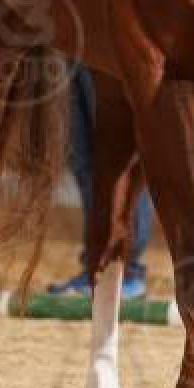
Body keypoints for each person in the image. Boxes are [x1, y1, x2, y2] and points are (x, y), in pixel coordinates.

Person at [46, 61, 152, 299]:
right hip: (73, 53)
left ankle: (127, 267)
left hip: (112, 54)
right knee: (84, 164)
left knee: (122, 161)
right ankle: (95, 265)